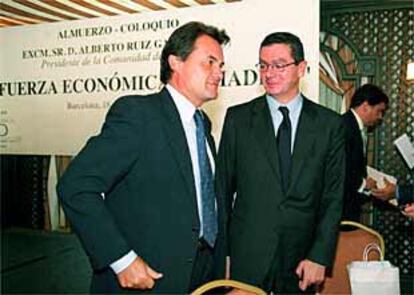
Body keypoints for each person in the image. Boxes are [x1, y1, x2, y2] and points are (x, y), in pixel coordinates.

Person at [57, 21, 230, 294]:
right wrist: (121, 260)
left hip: (202, 275)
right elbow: (76, 185)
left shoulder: (203, 126)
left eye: (221, 66)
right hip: (149, 280)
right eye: (209, 62)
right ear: (176, 62)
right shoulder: (138, 115)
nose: (219, 72)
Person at [217, 32, 345, 294]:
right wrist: (223, 257)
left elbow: (333, 197)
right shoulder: (238, 120)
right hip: (247, 256)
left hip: (302, 259)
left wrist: (320, 255)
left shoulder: (329, 125)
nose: (269, 73)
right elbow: (222, 191)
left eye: (278, 65)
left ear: (301, 68)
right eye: (263, 65)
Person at [342, 84, 389, 222]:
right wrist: (363, 184)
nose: (380, 117)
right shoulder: (343, 126)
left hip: (350, 204)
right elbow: (338, 169)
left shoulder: (356, 127)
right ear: (365, 106)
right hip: (341, 209)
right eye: (379, 111)